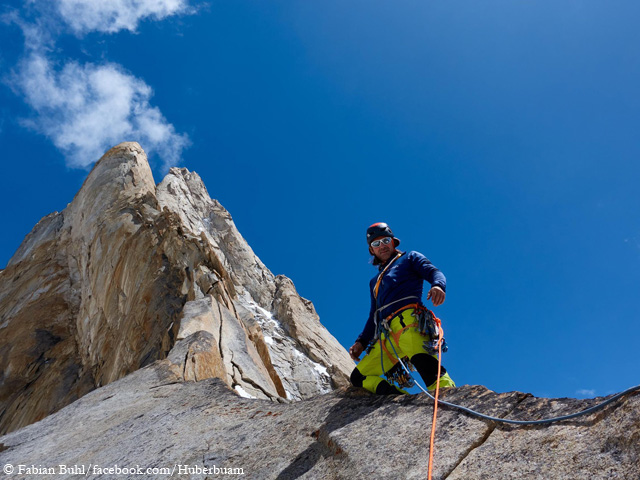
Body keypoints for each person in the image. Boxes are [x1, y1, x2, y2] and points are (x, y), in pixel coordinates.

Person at [349, 222, 455, 395]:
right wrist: (362, 341)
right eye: (376, 244)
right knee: (358, 378)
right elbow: (373, 316)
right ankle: (399, 401)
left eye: (385, 241)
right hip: (386, 336)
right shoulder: (374, 282)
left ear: (393, 242)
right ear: (371, 250)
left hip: (409, 324)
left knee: (428, 369)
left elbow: (434, 272)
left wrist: (438, 285)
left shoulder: (409, 258)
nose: (381, 246)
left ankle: (451, 401)